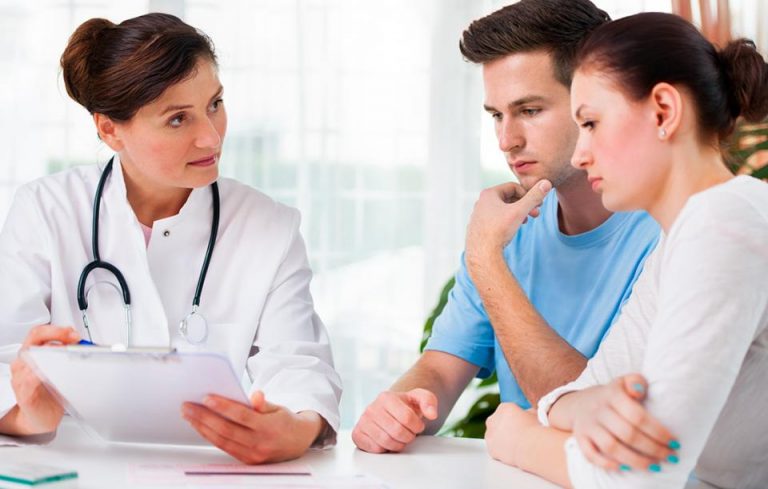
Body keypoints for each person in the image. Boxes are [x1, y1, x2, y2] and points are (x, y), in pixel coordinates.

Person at [0, 13, 342, 464]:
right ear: (109, 129)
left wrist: (296, 429)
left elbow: (298, 365)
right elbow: (6, 359)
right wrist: (28, 415)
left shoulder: (268, 226)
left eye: (215, 104)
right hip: (74, 467)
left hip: (210, 467)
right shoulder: (46, 210)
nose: (211, 138)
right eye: (178, 119)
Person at [352, 0, 659, 454]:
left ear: (594, 102)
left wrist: (485, 258)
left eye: (529, 110)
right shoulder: (512, 227)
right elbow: (440, 370)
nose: (506, 140)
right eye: (496, 115)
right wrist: (399, 410)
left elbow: (596, 418)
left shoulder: (667, 232)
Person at [484, 12, 768, 489]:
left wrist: (516, 437)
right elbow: (583, 389)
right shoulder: (681, 237)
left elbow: (642, 474)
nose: (580, 155)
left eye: (591, 123)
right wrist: (588, 405)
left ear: (663, 111)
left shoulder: (725, 224)